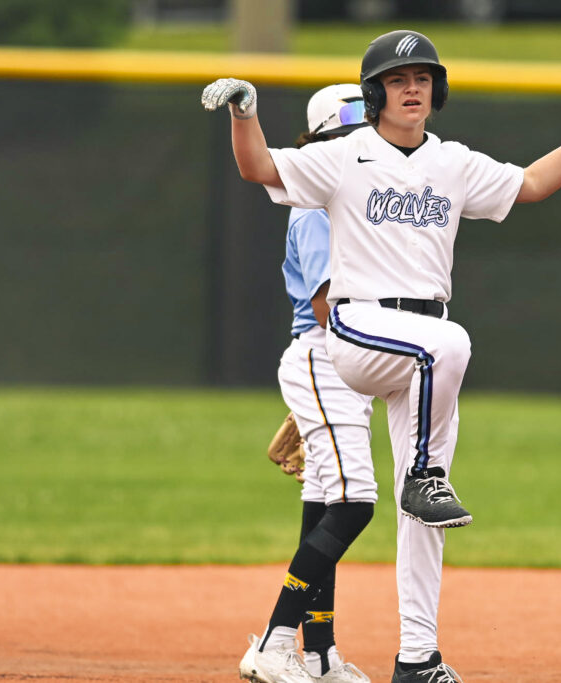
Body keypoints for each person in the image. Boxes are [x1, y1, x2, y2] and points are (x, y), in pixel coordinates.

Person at [203, 29, 561, 682]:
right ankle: (417, 480)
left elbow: (527, 185)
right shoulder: (344, 155)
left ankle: (417, 656)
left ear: (436, 91)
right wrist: (245, 114)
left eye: (422, 78)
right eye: (397, 79)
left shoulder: (453, 163)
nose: (411, 88)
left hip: (422, 347)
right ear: (374, 94)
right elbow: (259, 168)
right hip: (360, 326)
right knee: (452, 344)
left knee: (425, 513)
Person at [238, 84, 375, 683]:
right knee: (354, 503)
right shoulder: (317, 205)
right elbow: (327, 307)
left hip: (346, 364)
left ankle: (319, 654)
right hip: (329, 356)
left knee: (323, 505)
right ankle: (273, 643)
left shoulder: (352, 201)